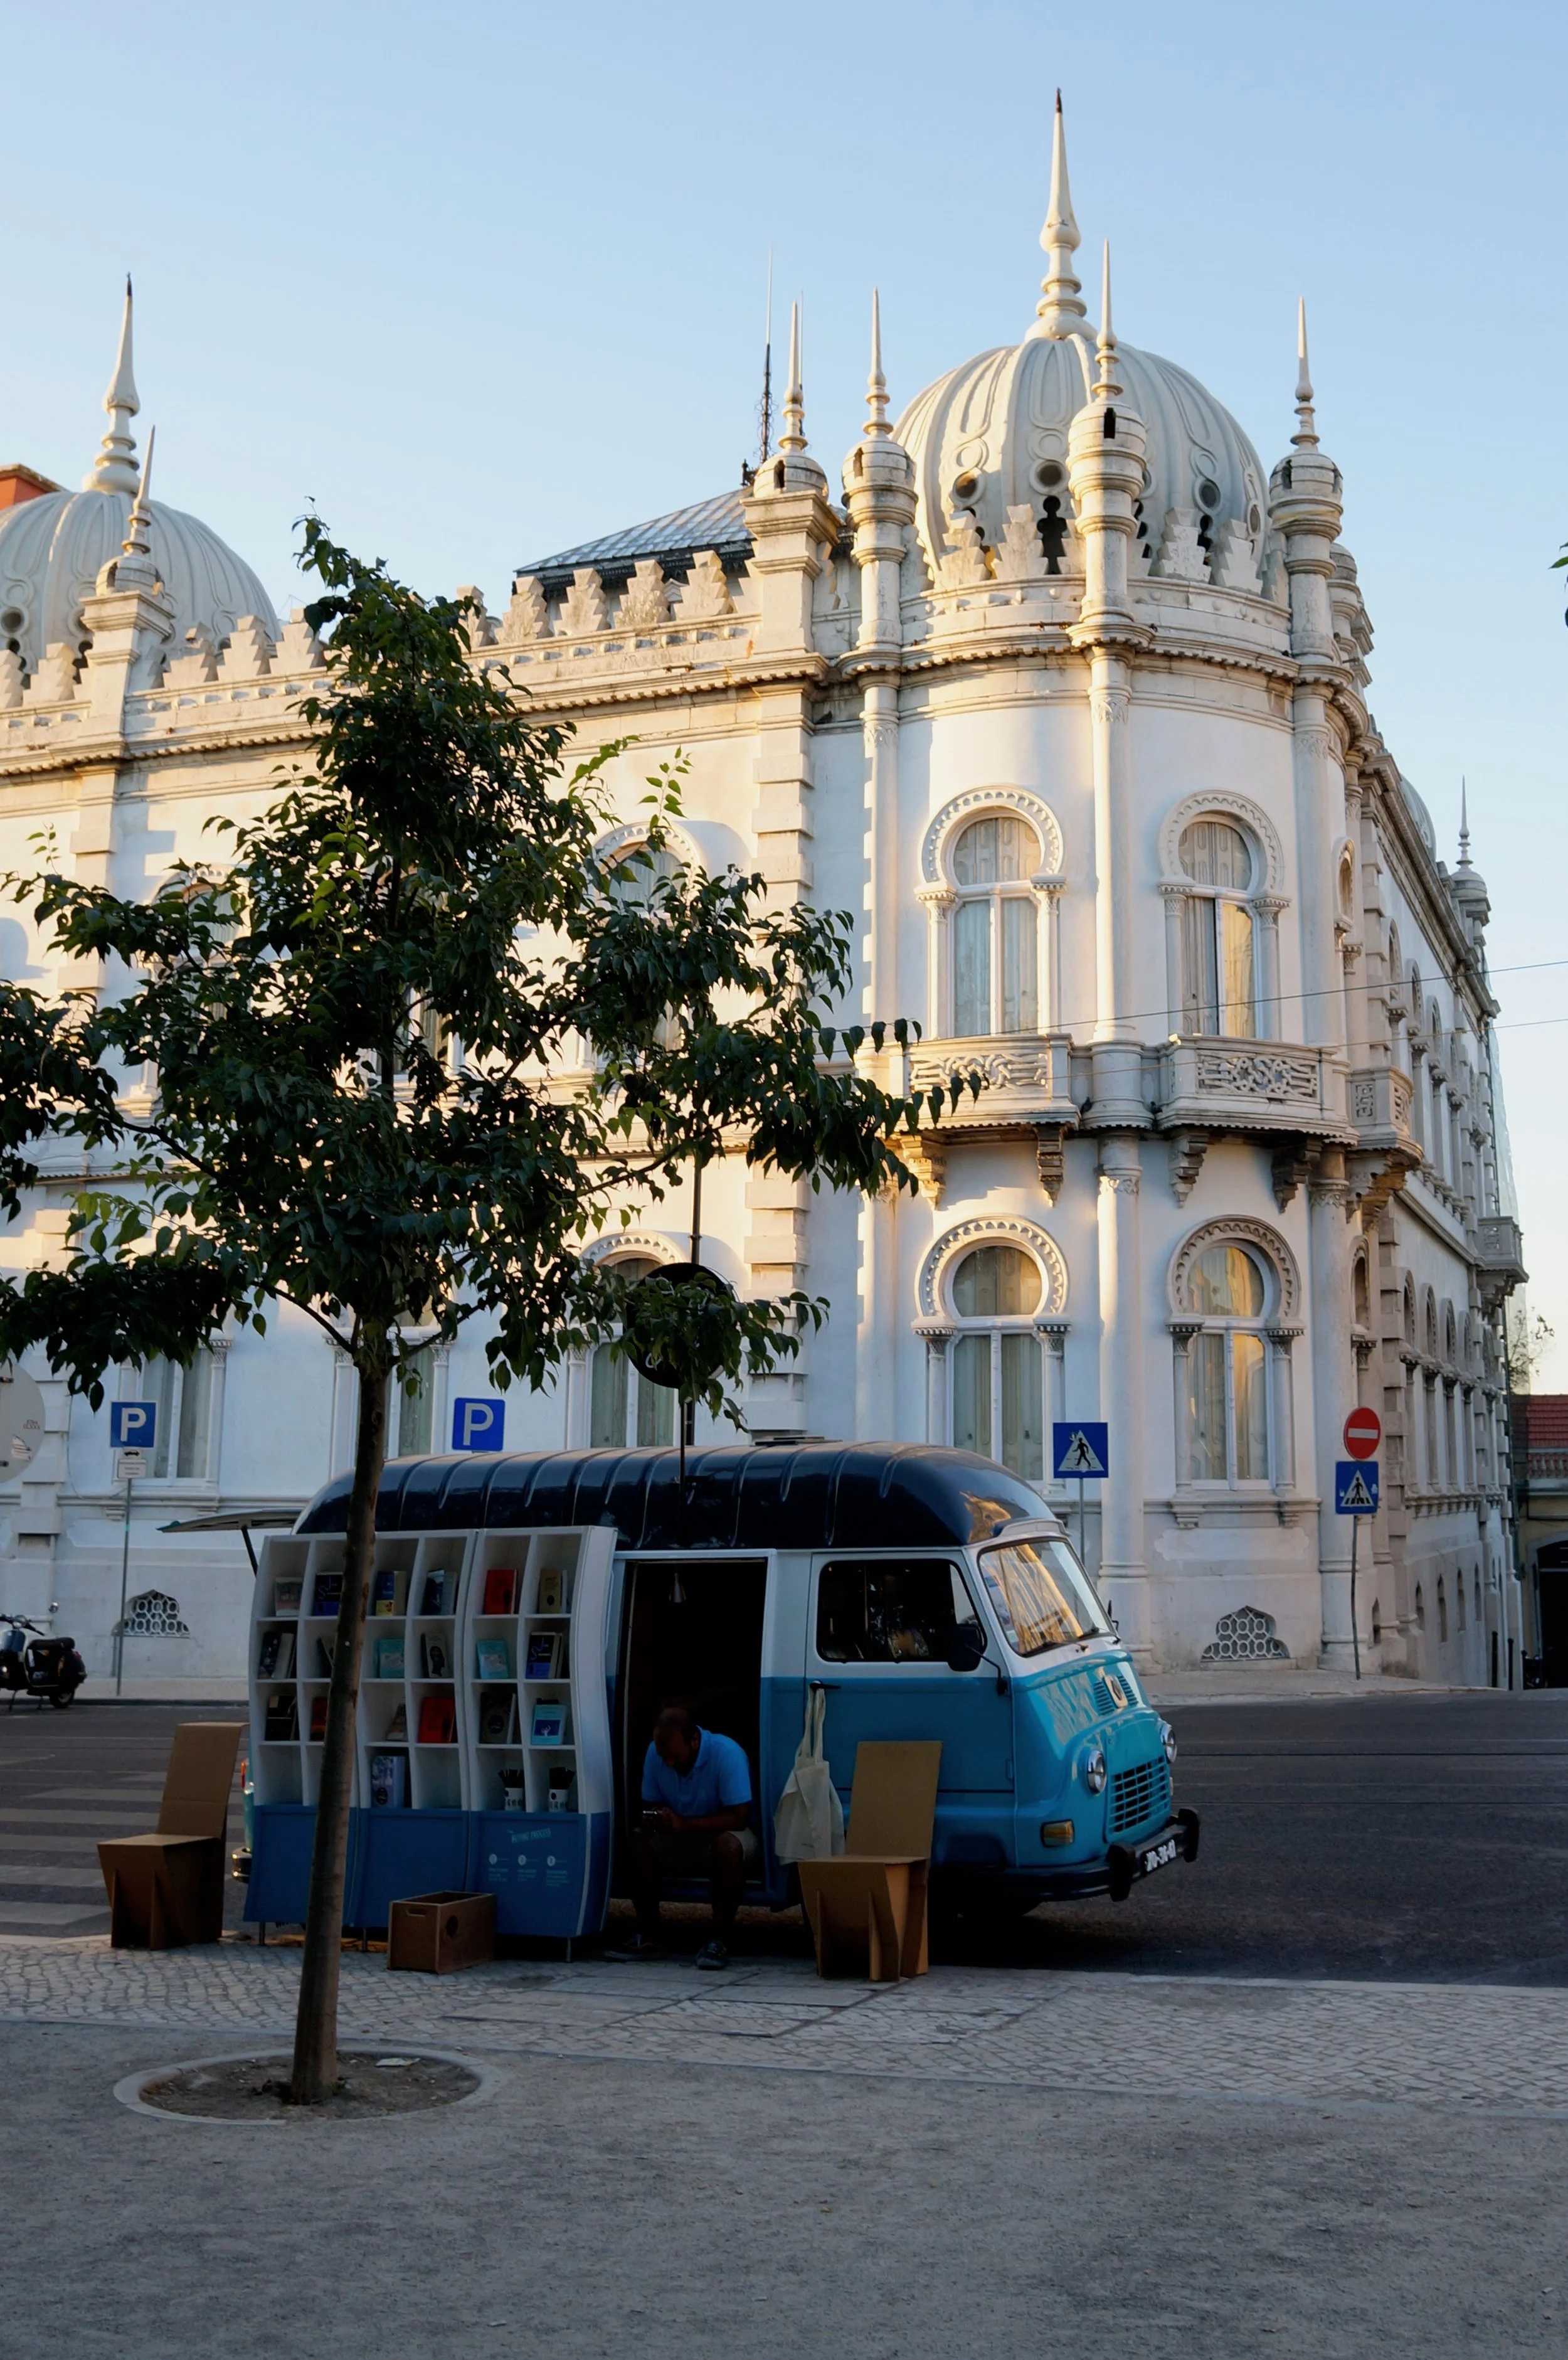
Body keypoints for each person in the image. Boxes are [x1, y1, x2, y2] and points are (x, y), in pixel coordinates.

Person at [613, 1703, 756, 1971]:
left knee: (729, 1846)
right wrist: (656, 1816)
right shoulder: (656, 1754)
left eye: (676, 1757)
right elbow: (649, 1803)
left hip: (719, 1833)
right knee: (638, 1840)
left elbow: (739, 1817)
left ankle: (719, 1938)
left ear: (695, 1740)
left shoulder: (727, 1754)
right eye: (663, 1755)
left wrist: (685, 1824)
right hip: (679, 1834)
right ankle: (648, 1933)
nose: (669, 1763)